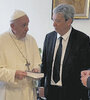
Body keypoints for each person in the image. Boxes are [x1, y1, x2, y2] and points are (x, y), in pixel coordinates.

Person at [40, 3, 90, 100]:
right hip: (51, 91)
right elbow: (44, 65)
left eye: (57, 21)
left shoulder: (82, 40)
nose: (53, 24)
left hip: (72, 92)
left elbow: (85, 68)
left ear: (69, 21)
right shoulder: (49, 37)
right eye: (53, 20)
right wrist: (41, 85)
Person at [0, 10, 41, 100]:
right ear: (12, 26)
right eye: (24, 25)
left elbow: (37, 64)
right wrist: (14, 74)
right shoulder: (1, 40)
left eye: (27, 24)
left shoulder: (31, 40)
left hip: (29, 92)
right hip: (10, 93)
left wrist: (36, 69)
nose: (27, 28)